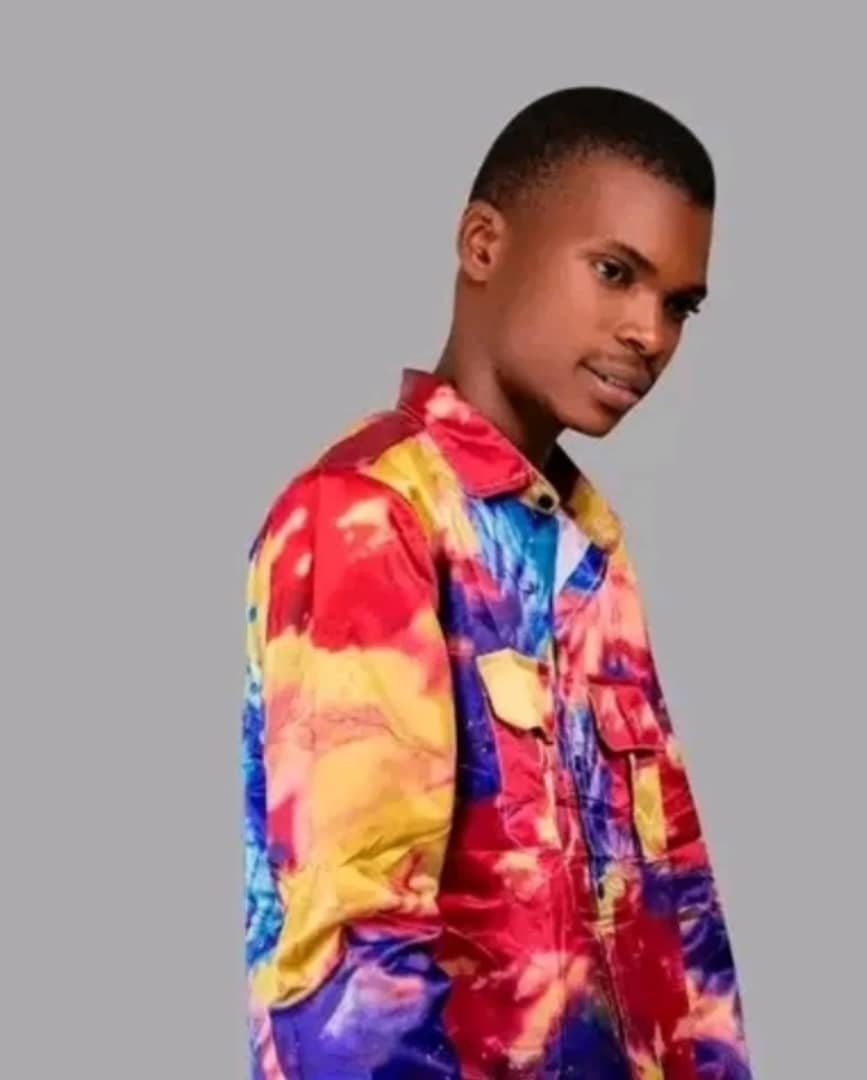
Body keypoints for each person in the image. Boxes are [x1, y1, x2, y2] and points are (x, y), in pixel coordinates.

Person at [242, 85, 754, 1079]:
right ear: (483, 244)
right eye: (615, 273)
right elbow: (349, 972)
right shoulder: (367, 519)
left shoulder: (584, 542)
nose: (650, 332)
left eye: (678, 305)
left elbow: (677, 922)